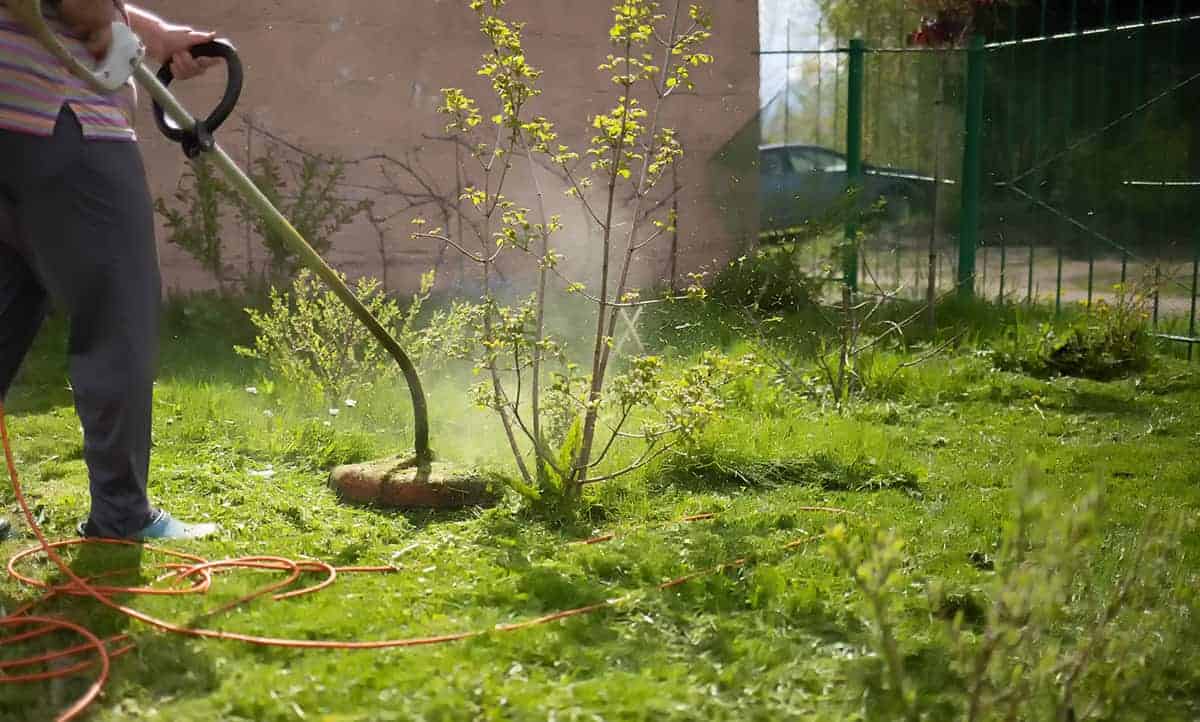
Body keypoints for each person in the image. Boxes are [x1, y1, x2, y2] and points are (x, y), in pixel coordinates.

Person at [0, 0, 220, 540]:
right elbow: (81, 8)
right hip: (59, 115)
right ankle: (123, 513)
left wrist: (155, 34)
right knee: (119, 310)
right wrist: (103, 28)